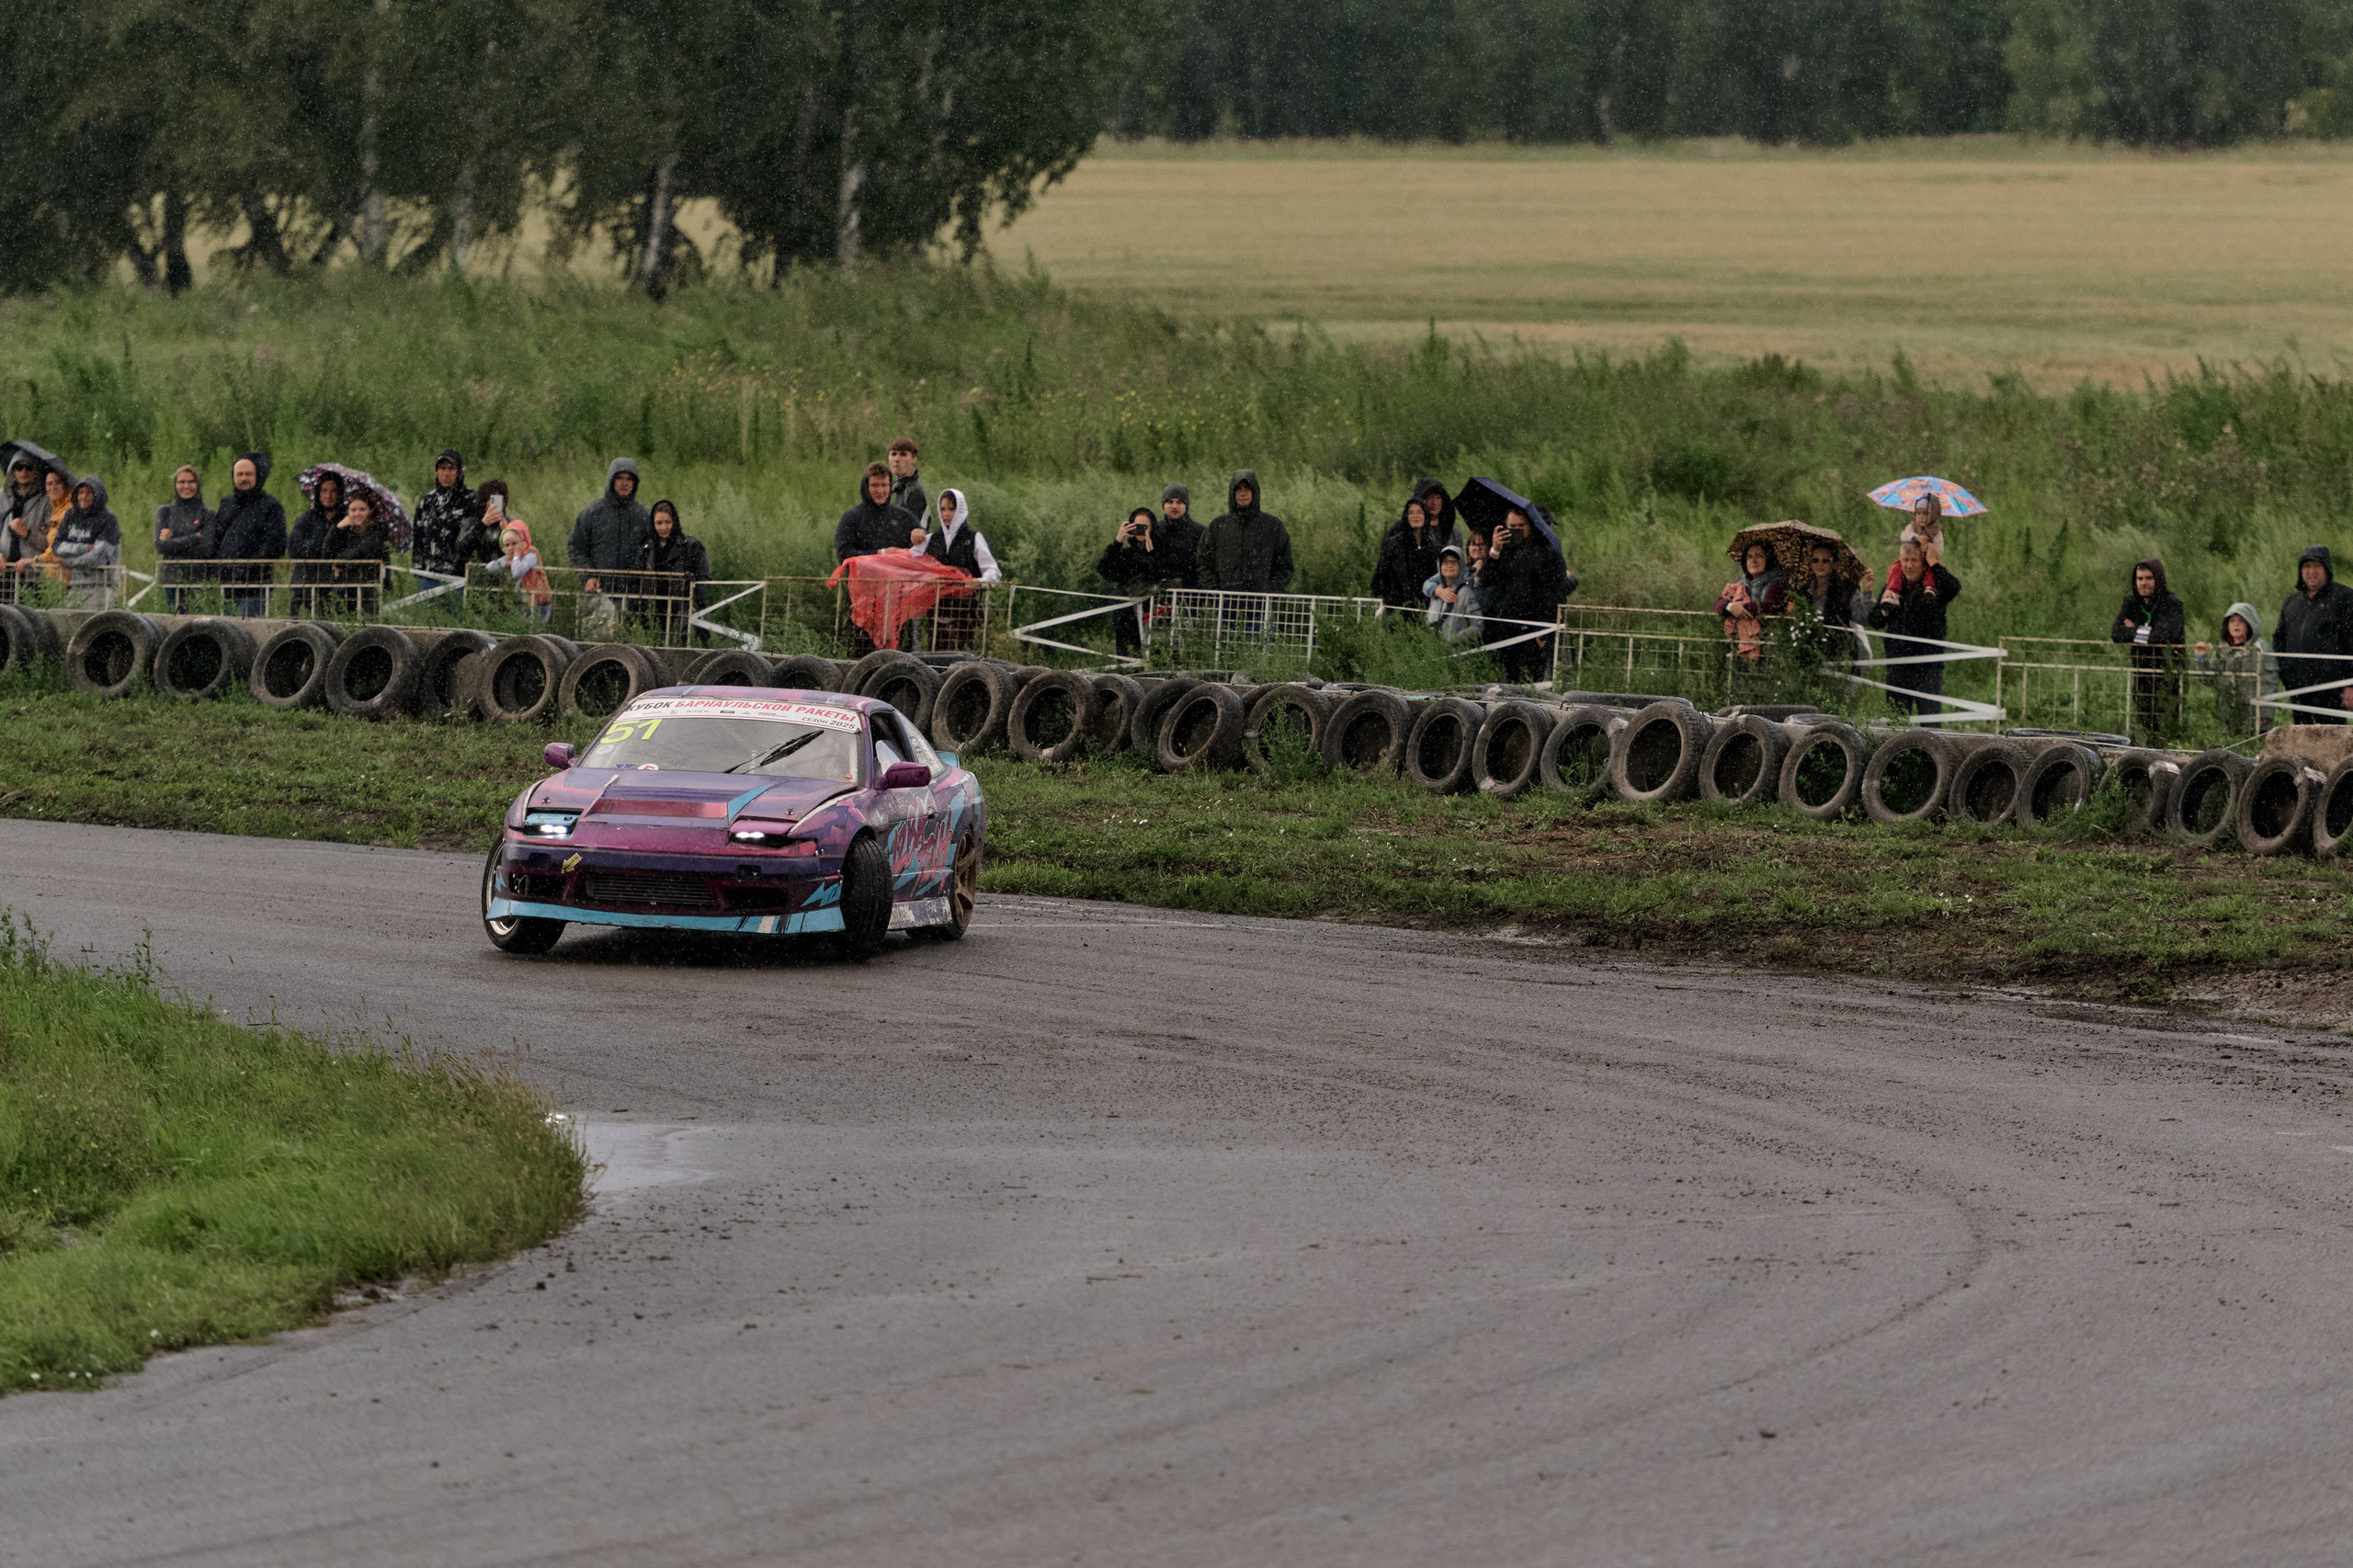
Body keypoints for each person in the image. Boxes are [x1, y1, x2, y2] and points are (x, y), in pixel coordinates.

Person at [1096, 485, 1202, 655]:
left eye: (1145, 526)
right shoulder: (1126, 554)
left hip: (1157, 613)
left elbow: (1160, 571)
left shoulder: (1162, 549)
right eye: (1137, 526)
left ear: (1153, 528)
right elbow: (1105, 570)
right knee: (1127, 656)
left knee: (1159, 653)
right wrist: (1118, 541)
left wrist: (1150, 545)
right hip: (1126, 614)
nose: (1141, 531)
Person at [1868, 537, 1961, 716]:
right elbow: (1875, 620)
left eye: (1914, 560)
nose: (1909, 565)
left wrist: (1934, 562)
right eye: (1905, 560)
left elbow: (1954, 588)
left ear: (1923, 562)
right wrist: (1885, 611)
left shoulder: (1934, 587)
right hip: (1898, 665)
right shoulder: (1893, 586)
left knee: (1930, 723)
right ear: (1900, 561)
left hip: (1928, 666)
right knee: (1897, 723)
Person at [1481, 506, 1571, 682]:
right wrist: (1494, 550)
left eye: (1521, 525)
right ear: (1505, 526)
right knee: (1505, 683)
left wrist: (1543, 630)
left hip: (1532, 629)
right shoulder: (1503, 551)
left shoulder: (1549, 554)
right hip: (1504, 628)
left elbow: (1556, 595)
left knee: (1532, 682)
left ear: (1531, 525)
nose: (1516, 530)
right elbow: (1486, 581)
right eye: (1512, 526)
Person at [2109, 557, 2187, 744]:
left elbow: (2163, 636)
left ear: (2158, 579)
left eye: (2149, 578)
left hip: (2167, 672)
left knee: (2167, 724)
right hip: (2142, 669)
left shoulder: (2171, 603)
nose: (2144, 583)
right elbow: (2116, 633)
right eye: (2140, 578)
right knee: (2143, 719)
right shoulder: (2131, 601)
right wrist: (2145, 632)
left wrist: (2133, 629)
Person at [2275, 545, 2353, 723]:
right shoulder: (2292, 602)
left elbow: (2351, 642)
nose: (2311, 571)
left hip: (2332, 690)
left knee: (2332, 745)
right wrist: (2286, 673)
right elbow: (2279, 639)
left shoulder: (2345, 599)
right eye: (2307, 566)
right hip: (2298, 689)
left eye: (2317, 566)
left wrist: (2350, 684)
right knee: (2301, 745)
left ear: (2327, 569)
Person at [921, 486, 999, 651]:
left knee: (962, 659)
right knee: (935, 657)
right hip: (936, 612)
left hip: (965, 613)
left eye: (951, 509)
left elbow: (993, 572)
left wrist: (980, 582)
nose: (946, 514)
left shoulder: (973, 539)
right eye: (943, 509)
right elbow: (910, 562)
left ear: (960, 510)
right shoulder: (932, 540)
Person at [210, 452, 285, 616]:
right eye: (239, 474)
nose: (244, 478)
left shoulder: (271, 506)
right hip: (226, 584)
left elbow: (276, 543)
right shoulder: (226, 503)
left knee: (248, 633)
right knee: (224, 634)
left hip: (255, 585)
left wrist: (249, 567)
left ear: (258, 476)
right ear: (233, 477)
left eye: (248, 474)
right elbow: (217, 537)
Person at [1199, 469, 1293, 594]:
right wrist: (1214, 592)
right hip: (1226, 600)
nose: (1243, 494)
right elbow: (1203, 562)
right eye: (1238, 489)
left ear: (1255, 492)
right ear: (1232, 493)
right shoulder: (1217, 526)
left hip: (1261, 601)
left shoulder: (1272, 526)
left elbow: (1285, 566)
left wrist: (1270, 591)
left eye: (1247, 489)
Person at [569, 457, 651, 597]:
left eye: (629, 479)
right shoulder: (593, 512)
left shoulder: (644, 515)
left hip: (634, 594)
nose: (624, 483)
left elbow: (652, 550)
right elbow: (576, 547)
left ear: (635, 483)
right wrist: (588, 576)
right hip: (598, 591)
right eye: (619, 478)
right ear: (611, 480)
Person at [2195, 603, 2275, 736]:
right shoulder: (2223, 649)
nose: (2236, 625)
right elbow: (2209, 680)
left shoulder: (2261, 649)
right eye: (2232, 621)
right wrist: (2200, 659)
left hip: (2254, 717)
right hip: (2227, 715)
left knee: (2251, 753)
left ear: (2250, 624)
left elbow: (2269, 682)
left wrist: (2265, 713)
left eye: (2241, 621)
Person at [637, 500, 712, 643]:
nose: (664, 527)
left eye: (668, 522)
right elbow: (636, 579)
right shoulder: (646, 550)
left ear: (675, 522)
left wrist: (695, 604)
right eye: (659, 523)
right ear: (653, 524)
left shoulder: (691, 546)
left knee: (680, 644)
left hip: (683, 608)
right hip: (654, 608)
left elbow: (704, 579)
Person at [411, 448, 483, 587]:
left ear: (459, 471)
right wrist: (417, 568)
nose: (446, 473)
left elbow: (475, 536)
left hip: (459, 575)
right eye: (442, 468)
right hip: (429, 574)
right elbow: (418, 536)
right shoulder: (427, 501)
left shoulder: (471, 499)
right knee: (428, 609)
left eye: (451, 468)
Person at [1370, 492, 1450, 610]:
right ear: (1406, 516)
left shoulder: (1432, 546)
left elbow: (1436, 577)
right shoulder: (1394, 544)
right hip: (1397, 608)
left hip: (1424, 607)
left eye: (1419, 512)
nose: (1415, 516)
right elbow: (1379, 576)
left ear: (1425, 516)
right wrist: (1390, 598)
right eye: (1411, 512)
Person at [1715, 541, 1790, 665]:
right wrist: (1730, 606)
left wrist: (1741, 607)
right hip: (1739, 640)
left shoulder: (1778, 583)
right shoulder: (1740, 582)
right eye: (1749, 556)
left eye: (1759, 555)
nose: (1753, 560)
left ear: (1768, 559)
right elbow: (1718, 604)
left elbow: (1769, 605)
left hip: (1768, 643)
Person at [51, 476, 120, 608]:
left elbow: (99, 557)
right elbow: (57, 547)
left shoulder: (108, 519)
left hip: (102, 586)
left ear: (98, 495)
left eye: (89, 493)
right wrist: (85, 548)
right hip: (76, 586)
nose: (84, 497)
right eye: (81, 492)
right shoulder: (71, 515)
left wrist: (68, 562)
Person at [152, 465, 214, 610]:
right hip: (170, 581)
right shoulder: (164, 511)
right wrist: (195, 537)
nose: (186, 486)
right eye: (181, 482)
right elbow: (159, 546)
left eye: (191, 481)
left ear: (197, 484)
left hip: (199, 582)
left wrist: (172, 545)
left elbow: (207, 549)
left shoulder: (207, 513)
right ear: (175, 485)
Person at [287, 471, 346, 617]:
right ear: (318, 493)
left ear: (339, 494)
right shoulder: (306, 519)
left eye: (333, 491)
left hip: (336, 587)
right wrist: (321, 544)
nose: (328, 495)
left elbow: (349, 547)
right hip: (306, 585)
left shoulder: (346, 519)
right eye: (324, 490)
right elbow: (294, 549)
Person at [325, 491, 392, 615]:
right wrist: (337, 528)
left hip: (371, 588)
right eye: (353, 510)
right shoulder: (345, 532)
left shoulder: (379, 530)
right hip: (345, 589)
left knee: (369, 624)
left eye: (362, 509)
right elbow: (326, 554)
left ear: (370, 511)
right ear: (347, 513)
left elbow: (361, 552)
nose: (357, 514)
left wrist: (338, 562)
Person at [479, 517, 554, 622]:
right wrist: (506, 562)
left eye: (514, 544)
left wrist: (516, 556)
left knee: (534, 627)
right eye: (507, 545)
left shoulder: (531, 555)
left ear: (523, 541)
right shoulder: (511, 558)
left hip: (539, 601)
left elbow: (517, 572)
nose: (511, 548)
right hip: (523, 600)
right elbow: (489, 568)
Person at [1424, 543, 1481, 644]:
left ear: (1461, 566)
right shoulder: (1436, 592)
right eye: (1445, 562)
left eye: (1454, 562)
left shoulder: (1466, 593)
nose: (1449, 565)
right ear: (1440, 566)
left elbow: (1478, 626)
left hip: (1457, 654)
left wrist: (1456, 639)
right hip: (1433, 650)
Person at [886, 438, 929, 532]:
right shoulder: (891, 490)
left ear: (914, 459)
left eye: (903, 454)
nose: (896, 459)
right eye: (893, 454)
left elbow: (916, 533)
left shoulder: (914, 491)